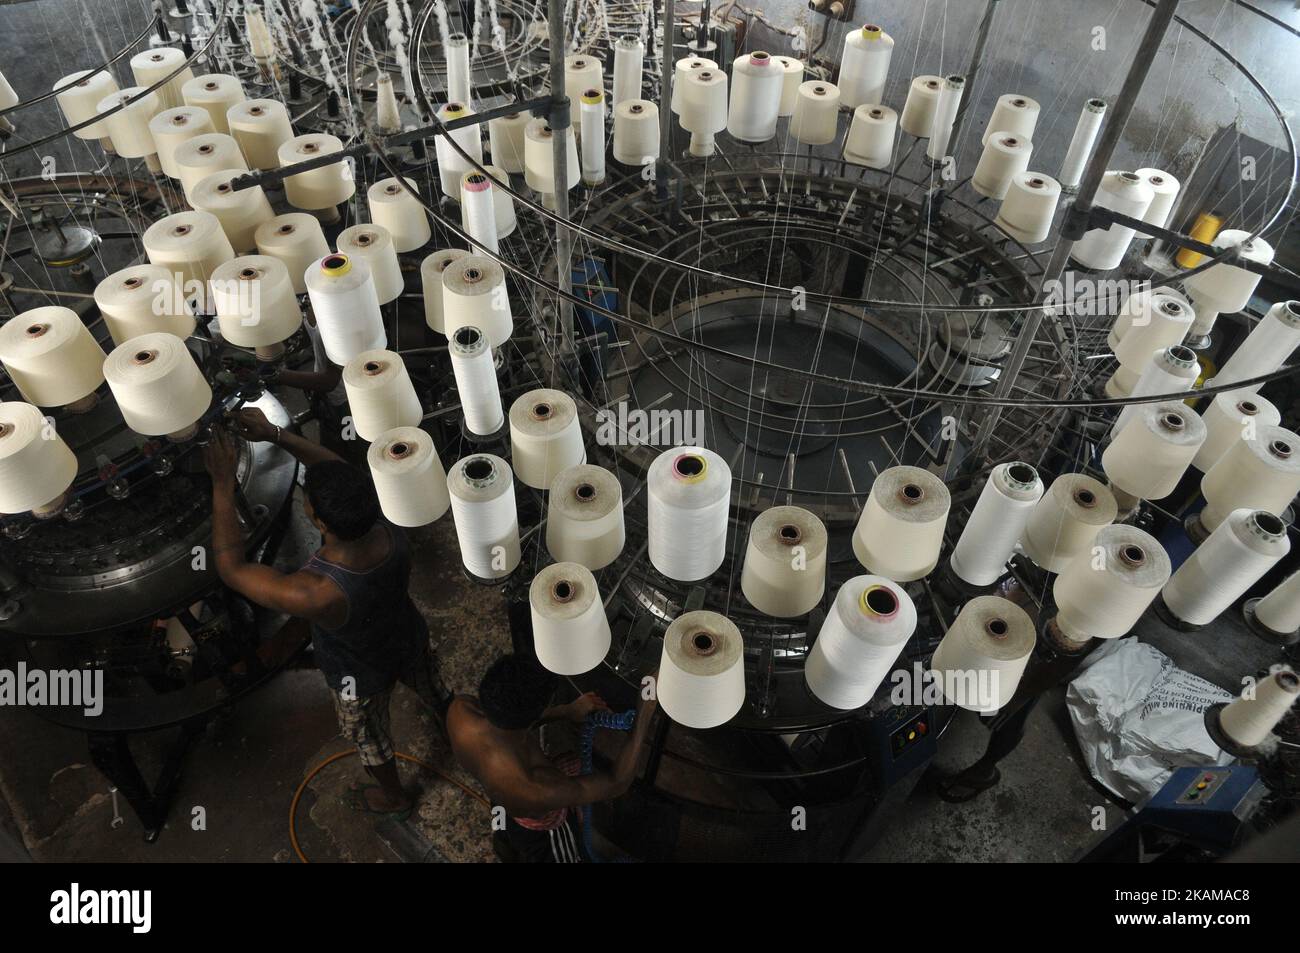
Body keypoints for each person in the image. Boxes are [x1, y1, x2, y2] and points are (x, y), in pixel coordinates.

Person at [204, 407, 447, 819]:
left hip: (358, 674)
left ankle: (395, 797)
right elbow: (334, 468)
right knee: (433, 688)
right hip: (407, 634)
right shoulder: (388, 516)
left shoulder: (317, 592)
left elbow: (232, 568)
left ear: (316, 519)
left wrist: (223, 485)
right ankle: (452, 727)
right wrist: (274, 433)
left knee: (368, 736)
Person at [447, 654, 657, 863]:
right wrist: (643, 715)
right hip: (540, 830)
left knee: (502, 824)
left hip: (499, 797)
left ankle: (504, 845)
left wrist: (567, 711)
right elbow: (617, 782)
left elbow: (510, 724)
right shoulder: (538, 788)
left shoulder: (460, 711)